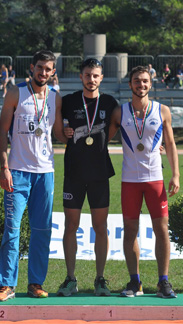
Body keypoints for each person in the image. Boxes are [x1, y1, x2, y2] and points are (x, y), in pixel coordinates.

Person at [0, 50, 65, 302]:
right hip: (17, 172)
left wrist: (79, 133)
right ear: (32, 68)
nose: (43, 73)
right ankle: (6, 284)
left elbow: (58, 134)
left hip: (45, 172)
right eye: (40, 68)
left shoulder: (56, 98)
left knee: (42, 230)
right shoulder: (15, 92)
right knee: (12, 230)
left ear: (53, 72)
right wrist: (4, 167)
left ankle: (35, 283)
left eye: (48, 69)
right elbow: (2, 132)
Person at [109, 65, 180, 299]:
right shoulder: (120, 112)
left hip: (155, 180)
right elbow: (102, 138)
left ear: (151, 84)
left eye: (145, 81)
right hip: (129, 180)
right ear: (130, 84)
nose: (141, 85)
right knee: (130, 231)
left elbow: (170, 144)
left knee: (161, 230)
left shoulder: (162, 111)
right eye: (137, 81)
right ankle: (135, 281)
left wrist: (175, 174)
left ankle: (163, 281)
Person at [56, 58, 118, 297]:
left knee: (100, 227)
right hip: (73, 172)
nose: (91, 79)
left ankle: (100, 279)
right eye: (87, 75)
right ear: (81, 77)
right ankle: (71, 278)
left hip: (99, 173)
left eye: (95, 76)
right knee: (70, 225)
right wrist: (65, 132)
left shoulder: (110, 102)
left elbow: (117, 126)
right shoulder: (69, 101)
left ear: (101, 78)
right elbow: (57, 130)